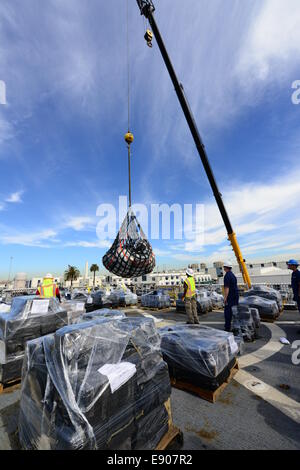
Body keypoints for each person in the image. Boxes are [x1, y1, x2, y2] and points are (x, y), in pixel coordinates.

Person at [223, 262, 239, 332]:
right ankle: (237, 327)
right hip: (235, 295)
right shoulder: (233, 275)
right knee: (235, 312)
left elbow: (226, 288)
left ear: (226, 267)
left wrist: (225, 298)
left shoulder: (227, 276)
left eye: (224, 267)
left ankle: (227, 327)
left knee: (228, 313)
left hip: (230, 296)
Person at [287, 259, 300, 333]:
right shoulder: (293, 273)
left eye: (289, 264)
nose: (288, 266)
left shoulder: (298, 274)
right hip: (297, 295)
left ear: (293, 265)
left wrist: (299, 294)